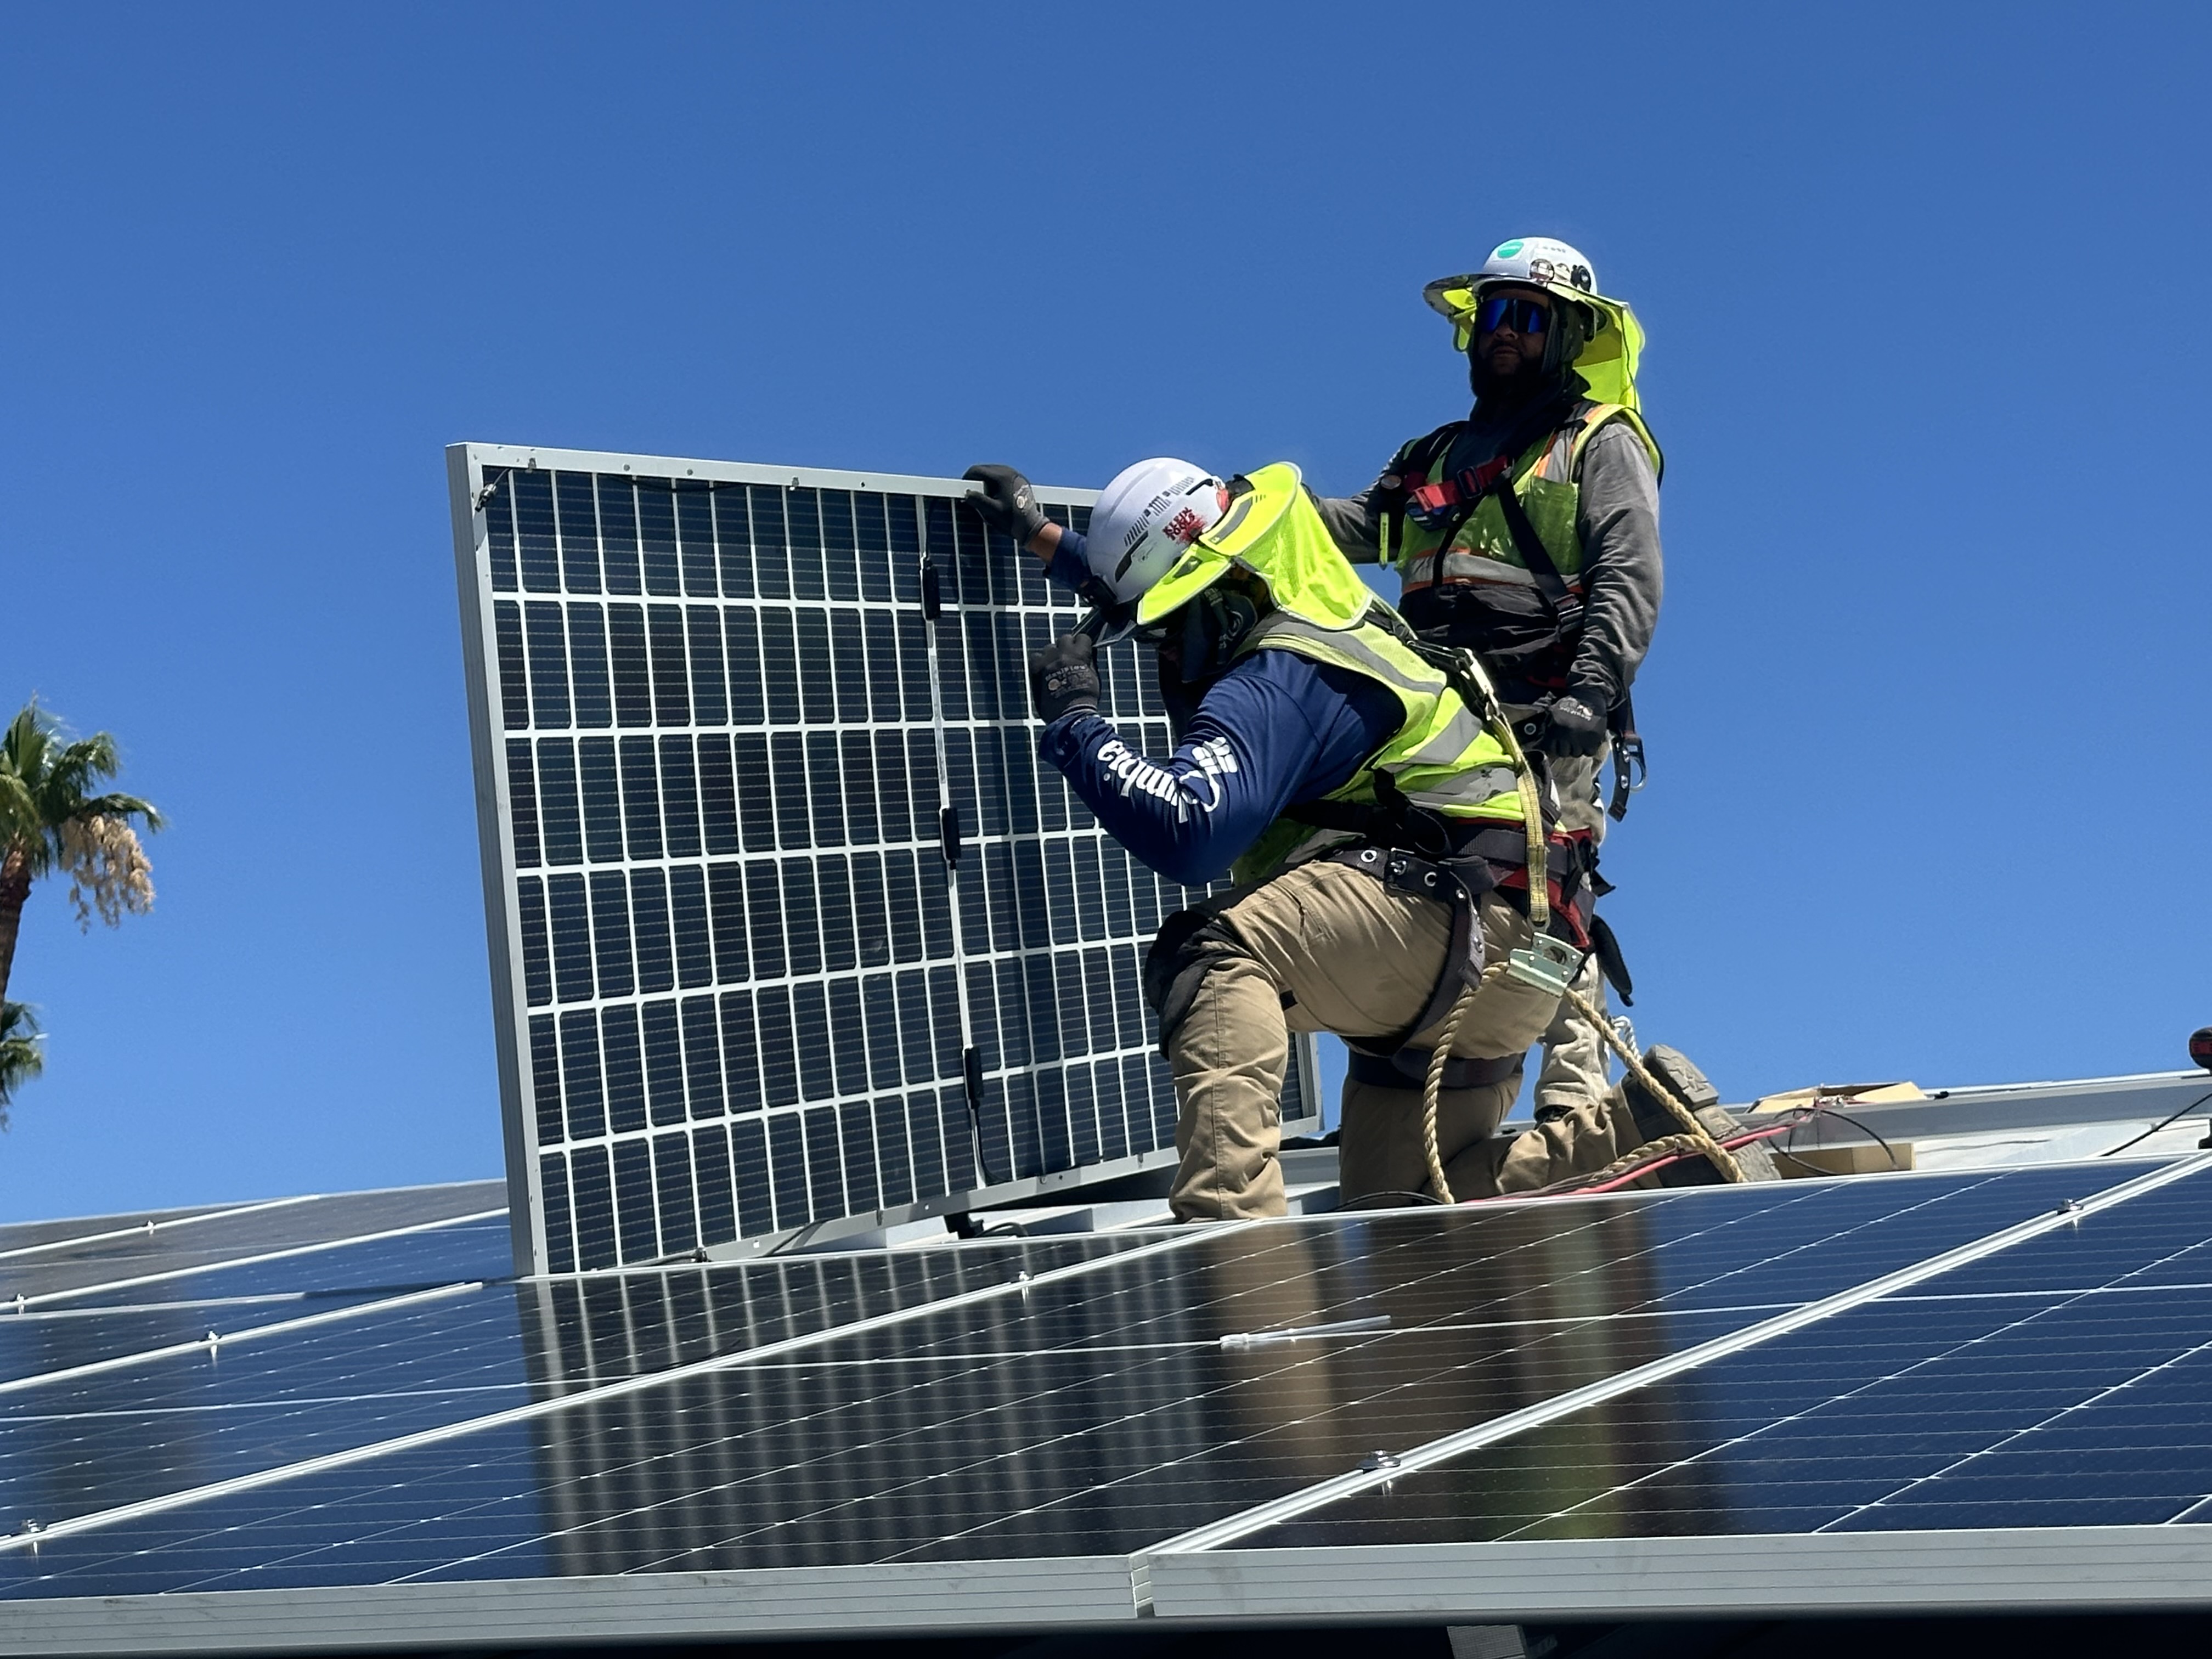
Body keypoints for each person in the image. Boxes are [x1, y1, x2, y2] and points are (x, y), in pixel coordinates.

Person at [967, 236, 1662, 1126]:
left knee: (1546, 903)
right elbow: (1287, 549)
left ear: (1569, 336)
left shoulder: (1598, 447)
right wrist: (1145, 530)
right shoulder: (1437, 459)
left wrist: (1591, 694)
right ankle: (1546, 1121)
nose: (1504, 334)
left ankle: (1587, 1114)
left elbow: (1629, 572)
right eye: (1493, 313)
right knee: (1486, 898)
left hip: (1542, 716)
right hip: (1449, 705)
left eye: (1529, 318)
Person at [984, 453, 1755, 1220]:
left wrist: (1078, 728)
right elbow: (1174, 569)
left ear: (1212, 602)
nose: (1163, 656)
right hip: (1523, 944)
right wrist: (1045, 538)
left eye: (1163, 633)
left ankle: (1234, 1256)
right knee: (1403, 1208)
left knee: (1214, 954)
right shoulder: (1310, 593)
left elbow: (1191, 832)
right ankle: (1646, 1135)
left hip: (1457, 918)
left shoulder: (1279, 678)